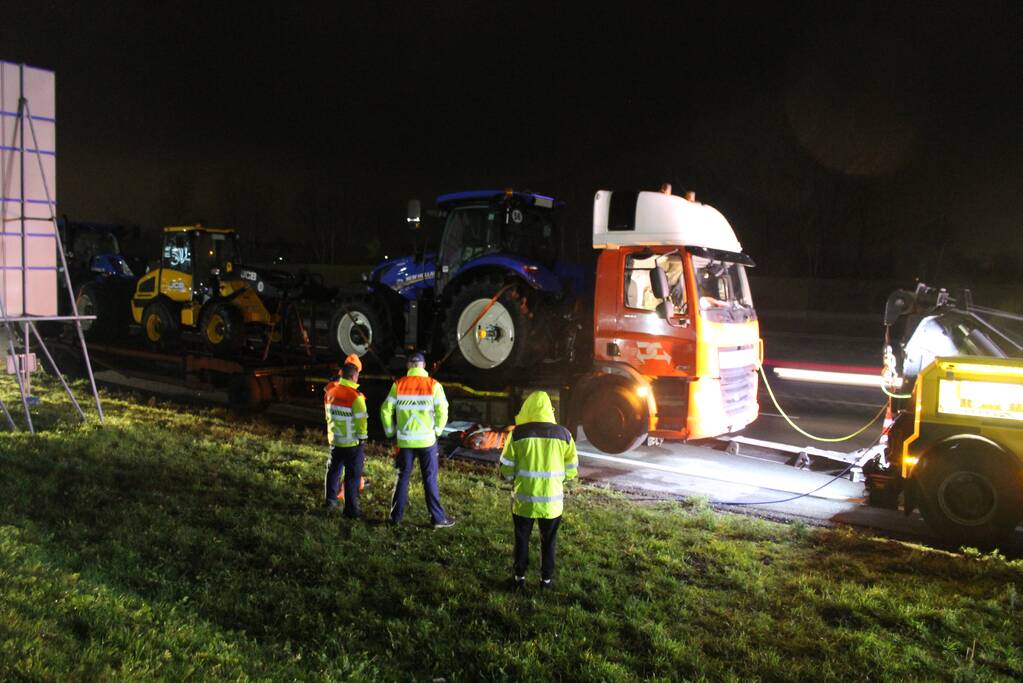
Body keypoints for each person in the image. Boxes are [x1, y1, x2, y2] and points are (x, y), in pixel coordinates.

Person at [499, 391, 578, 590]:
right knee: (549, 542)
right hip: (552, 503)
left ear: (528, 408)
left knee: (522, 540)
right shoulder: (565, 435)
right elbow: (571, 469)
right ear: (549, 410)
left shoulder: (517, 434)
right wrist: (560, 480)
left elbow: (506, 469)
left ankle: (519, 579)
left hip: (524, 502)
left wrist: (512, 478)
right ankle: (546, 581)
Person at [380, 352, 455, 529]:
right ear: (424, 365)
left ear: (408, 366)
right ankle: (438, 519)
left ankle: (396, 517)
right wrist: (436, 430)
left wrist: (391, 433)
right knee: (429, 478)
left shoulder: (398, 385)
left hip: (405, 441)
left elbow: (385, 410)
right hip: (427, 442)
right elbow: (443, 411)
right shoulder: (433, 385)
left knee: (402, 477)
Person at [323, 362, 368, 518]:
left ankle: (330, 500)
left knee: (333, 471)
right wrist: (362, 439)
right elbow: (361, 423)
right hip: (352, 444)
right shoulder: (356, 397)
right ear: (354, 376)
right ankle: (351, 511)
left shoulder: (330, 392)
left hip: (335, 440)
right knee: (352, 477)